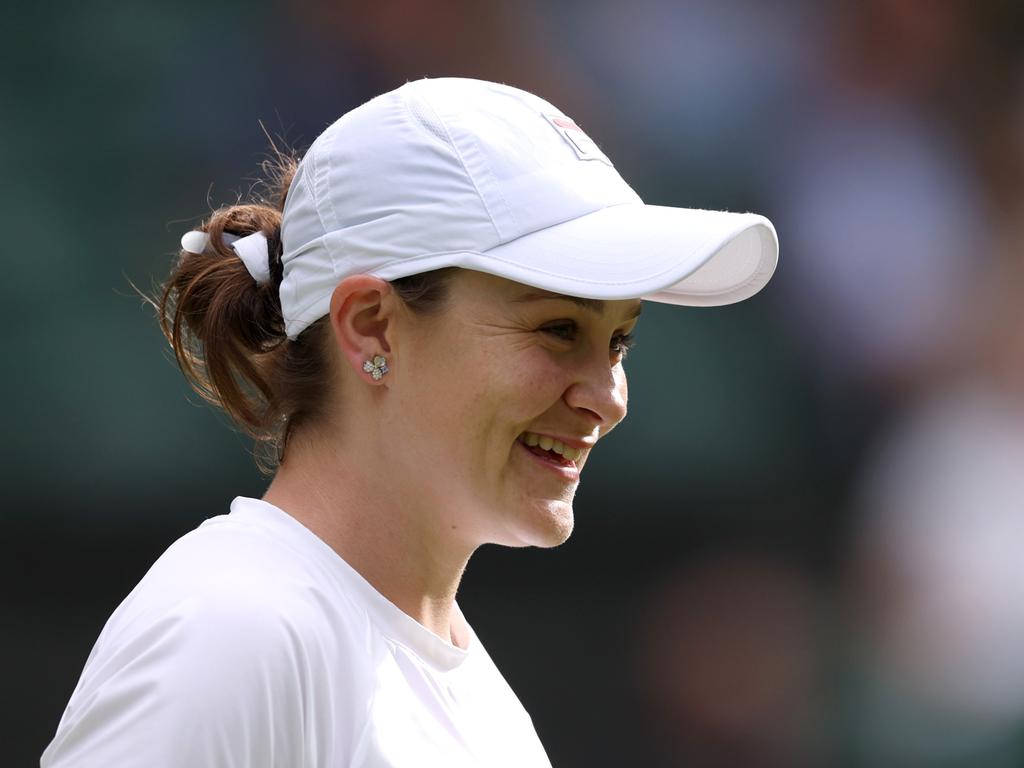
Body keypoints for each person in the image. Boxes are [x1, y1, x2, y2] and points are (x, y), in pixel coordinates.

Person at [41, 77, 778, 767]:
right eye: (558, 329)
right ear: (371, 328)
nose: (608, 396)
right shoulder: (233, 634)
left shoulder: (483, 707)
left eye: (618, 341)